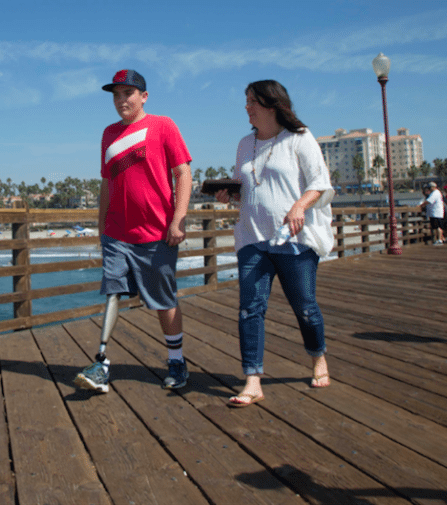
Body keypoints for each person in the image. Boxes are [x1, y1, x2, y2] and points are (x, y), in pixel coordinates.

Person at [215, 79, 335, 407]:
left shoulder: (300, 138)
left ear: (271, 105)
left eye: (252, 101)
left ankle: (317, 357)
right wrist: (231, 194)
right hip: (252, 237)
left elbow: (319, 183)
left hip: (294, 239)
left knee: (305, 308)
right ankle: (252, 380)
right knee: (250, 309)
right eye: (246, 100)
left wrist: (299, 206)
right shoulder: (244, 143)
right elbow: (250, 187)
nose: (246, 106)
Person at [74, 69, 193, 394]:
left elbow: (183, 173)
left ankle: (176, 360)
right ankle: (101, 362)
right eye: (116, 94)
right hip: (116, 233)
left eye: (128, 93)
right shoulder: (108, 134)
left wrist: (178, 219)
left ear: (143, 96)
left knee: (163, 300)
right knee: (113, 290)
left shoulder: (163, 125)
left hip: (156, 234)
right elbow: (107, 183)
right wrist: (101, 228)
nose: (121, 100)